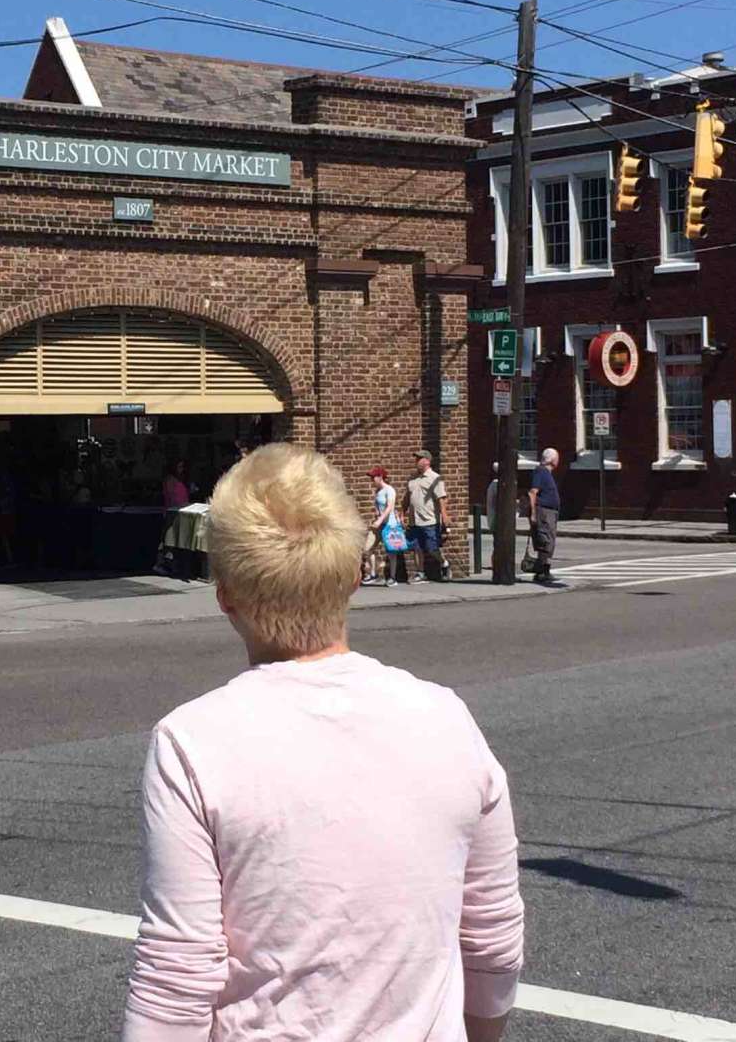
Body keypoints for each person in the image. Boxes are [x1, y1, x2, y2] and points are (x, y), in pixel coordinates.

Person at [122, 444, 524, 1042]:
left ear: (225, 592)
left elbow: (177, 976)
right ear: (355, 576)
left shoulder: (193, 742)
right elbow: (491, 938)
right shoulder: (446, 716)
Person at [405, 448, 451, 581]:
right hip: (415, 520)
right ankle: (420, 572)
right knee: (416, 547)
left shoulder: (435, 478)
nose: (416, 461)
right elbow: (407, 498)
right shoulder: (413, 479)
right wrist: (403, 512)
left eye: (419, 459)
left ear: (427, 461)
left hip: (429, 520)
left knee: (432, 549)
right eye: (416, 459)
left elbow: (441, 499)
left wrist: (445, 516)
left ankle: (444, 563)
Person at [527, 447, 561, 585]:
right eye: (557, 458)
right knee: (545, 540)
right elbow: (532, 492)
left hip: (550, 512)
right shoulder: (541, 471)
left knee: (549, 540)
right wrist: (533, 514)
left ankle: (544, 570)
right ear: (553, 460)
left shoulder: (546, 473)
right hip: (544, 512)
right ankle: (541, 572)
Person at [363, 465, 400, 587]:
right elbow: (378, 508)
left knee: (391, 552)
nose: (372, 479)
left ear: (380, 477)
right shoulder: (378, 491)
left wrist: (380, 520)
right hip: (379, 524)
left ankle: (393, 578)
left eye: (373, 477)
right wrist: (377, 517)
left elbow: (390, 507)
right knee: (367, 548)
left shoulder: (389, 490)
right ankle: (373, 574)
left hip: (390, 524)